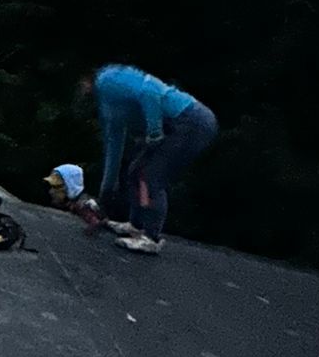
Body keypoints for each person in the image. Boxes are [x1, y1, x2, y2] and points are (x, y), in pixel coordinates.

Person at [81, 65, 218, 254]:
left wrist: (154, 132)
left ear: (87, 78)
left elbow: (150, 89)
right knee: (135, 171)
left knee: (151, 176)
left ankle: (151, 238)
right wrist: (105, 192)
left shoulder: (108, 79)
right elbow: (113, 150)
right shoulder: (109, 107)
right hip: (178, 124)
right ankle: (136, 226)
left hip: (192, 121)